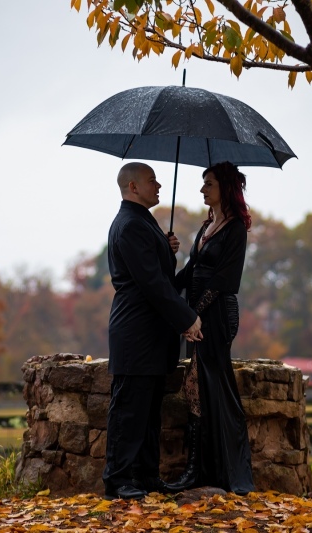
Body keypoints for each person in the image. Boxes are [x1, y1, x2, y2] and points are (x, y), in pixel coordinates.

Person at [102, 162, 203, 501]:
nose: (158, 185)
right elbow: (151, 284)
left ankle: (146, 476)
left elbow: (157, 274)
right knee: (130, 409)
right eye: (151, 181)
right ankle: (118, 481)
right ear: (132, 187)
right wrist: (186, 319)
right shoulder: (130, 224)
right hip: (136, 332)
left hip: (151, 333)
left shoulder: (142, 223)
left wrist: (167, 250)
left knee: (148, 412)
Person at [166, 161, 255, 495]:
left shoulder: (235, 229)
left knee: (209, 385)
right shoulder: (207, 225)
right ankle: (201, 469)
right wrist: (167, 286)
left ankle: (220, 471)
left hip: (216, 315)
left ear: (226, 188)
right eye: (203, 183)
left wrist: (194, 315)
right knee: (197, 387)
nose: (202, 189)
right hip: (197, 316)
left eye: (209, 183)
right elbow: (192, 271)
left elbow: (225, 280)